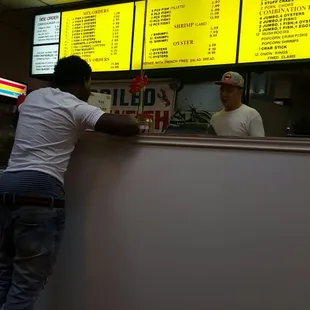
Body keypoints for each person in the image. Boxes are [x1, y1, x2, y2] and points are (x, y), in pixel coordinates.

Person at [0, 55, 139, 310]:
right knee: (26, 283)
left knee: (3, 274)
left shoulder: (33, 98)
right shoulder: (76, 107)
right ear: (86, 81)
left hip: (6, 186)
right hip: (40, 193)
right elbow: (126, 125)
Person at [208, 71, 265, 137]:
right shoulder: (215, 118)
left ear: (240, 92)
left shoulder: (252, 115)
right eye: (222, 90)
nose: (224, 94)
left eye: (229, 91)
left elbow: (258, 145)